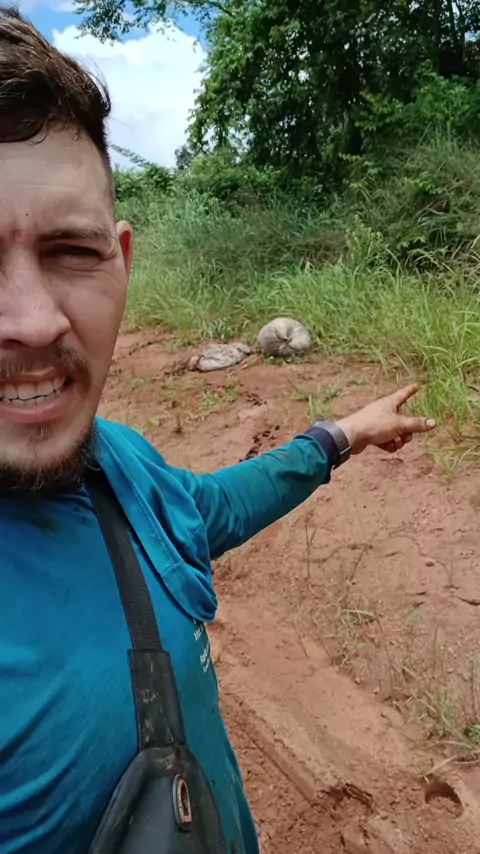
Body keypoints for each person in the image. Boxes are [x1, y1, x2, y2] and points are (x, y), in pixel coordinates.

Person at [0, 7, 436, 853]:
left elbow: (203, 512)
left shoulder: (117, 460)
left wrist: (342, 436)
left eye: (71, 251)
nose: (34, 320)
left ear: (122, 261)